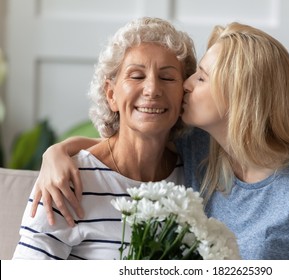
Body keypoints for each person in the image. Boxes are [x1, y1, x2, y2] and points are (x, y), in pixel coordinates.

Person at [31, 22, 289, 259]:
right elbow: (129, 143)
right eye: (194, 74)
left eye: (201, 77)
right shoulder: (203, 154)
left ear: (240, 97)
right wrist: (57, 152)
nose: (186, 85)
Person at [13, 17, 197, 259]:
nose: (152, 89)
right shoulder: (66, 180)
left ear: (184, 93)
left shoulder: (194, 174)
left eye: (167, 77)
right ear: (111, 95)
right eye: (137, 76)